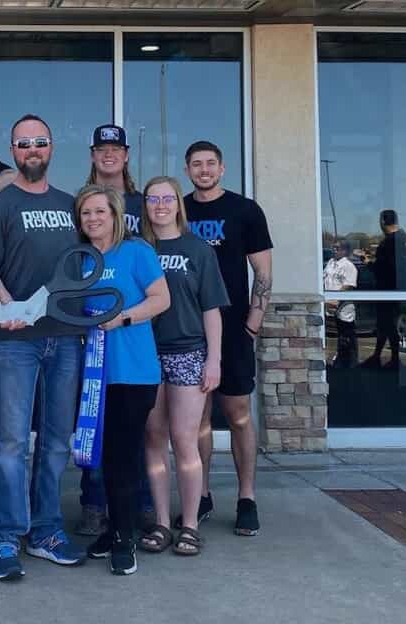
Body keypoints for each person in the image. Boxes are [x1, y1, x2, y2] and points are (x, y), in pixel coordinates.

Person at [0, 114, 86, 581]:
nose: (32, 150)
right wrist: (8, 304)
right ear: (13, 150)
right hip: (15, 342)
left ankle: (45, 531)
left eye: (39, 142)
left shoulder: (71, 205)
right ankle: (4, 538)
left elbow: (90, 265)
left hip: (65, 339)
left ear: (52, 147)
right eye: (23, 144)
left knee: (57, 441)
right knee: (11, 443)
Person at [74, 185, 170, 575]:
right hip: (95, 375)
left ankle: (123, 538)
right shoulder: (80, 259)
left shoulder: (137, 252)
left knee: (123, 456)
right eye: (85, 213)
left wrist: (121, 318)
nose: (93, 219)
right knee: (102, 457)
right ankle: (115, 527)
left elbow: (161, 299)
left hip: (133, 372)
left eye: (100, 211)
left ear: (115, 214)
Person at [183, 140, 272, 536]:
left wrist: (253, 321)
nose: (203, 170)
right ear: (187, 170)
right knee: (197, 419)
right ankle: (200, 495)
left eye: (210, 164)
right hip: (188, 331)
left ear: (222, 169)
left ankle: (246, 497)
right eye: (196, 164)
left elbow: (263, 272)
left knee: (237, 415)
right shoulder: (179, 210)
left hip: (234, 328)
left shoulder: (245, 211)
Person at [141, 176, 229, 557]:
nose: (160, 205)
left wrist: (214, 359)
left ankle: (189, 524)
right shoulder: (138, 248)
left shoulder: (198, 249)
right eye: (153, 199)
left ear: (178, 203)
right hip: (145, 353)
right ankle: (161, 521)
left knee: (184, 440)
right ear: (145, 205)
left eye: (167, 198)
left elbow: (212, 309)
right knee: (153, 439)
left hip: (188, 352)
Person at [76, 124, 151, 537]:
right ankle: (93, 502)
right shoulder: (82, 203)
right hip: (90, 341)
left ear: (125, 155)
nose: (108, 155)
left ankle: (137, 506)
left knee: (131, 434)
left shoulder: (143, 208)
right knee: (92, 420)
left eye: (115, 148)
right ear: (93, 154)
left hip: (134, 337)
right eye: (101, 148)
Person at [362, 210, 406, 369]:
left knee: (388, 324)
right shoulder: (402, 239)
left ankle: (393, 359)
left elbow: (385, 268)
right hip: (396, 289)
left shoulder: (390, 242)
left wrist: (368, 262)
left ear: (383, 221)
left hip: (389, 290)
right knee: (384, 325)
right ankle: (377, 356)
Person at [324, 240, 358, 369]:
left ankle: (349, 362)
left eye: (337, 248)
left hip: (343, 308)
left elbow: (348, 286)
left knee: (346, 335)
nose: (334, 250)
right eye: (333, 247)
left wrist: (336, 301)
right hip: (329, 305)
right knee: (337, 335)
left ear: (344, 251)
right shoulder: (331, 263)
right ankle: (339, 359)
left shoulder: (349, 266)